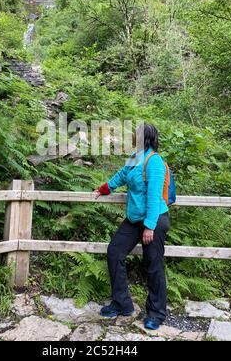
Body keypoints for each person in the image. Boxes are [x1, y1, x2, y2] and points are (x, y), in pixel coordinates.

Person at [96, 123, 169, 330]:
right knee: (114, 252)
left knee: (153, 264)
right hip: (134, 219)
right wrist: (104, 189)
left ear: (144, 138)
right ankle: (122, 304)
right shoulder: (134, 157)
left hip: (154, 220)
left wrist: (149, 226)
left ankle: (157, 313)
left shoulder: (154, 161)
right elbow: (121, 175)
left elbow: (154, 197)